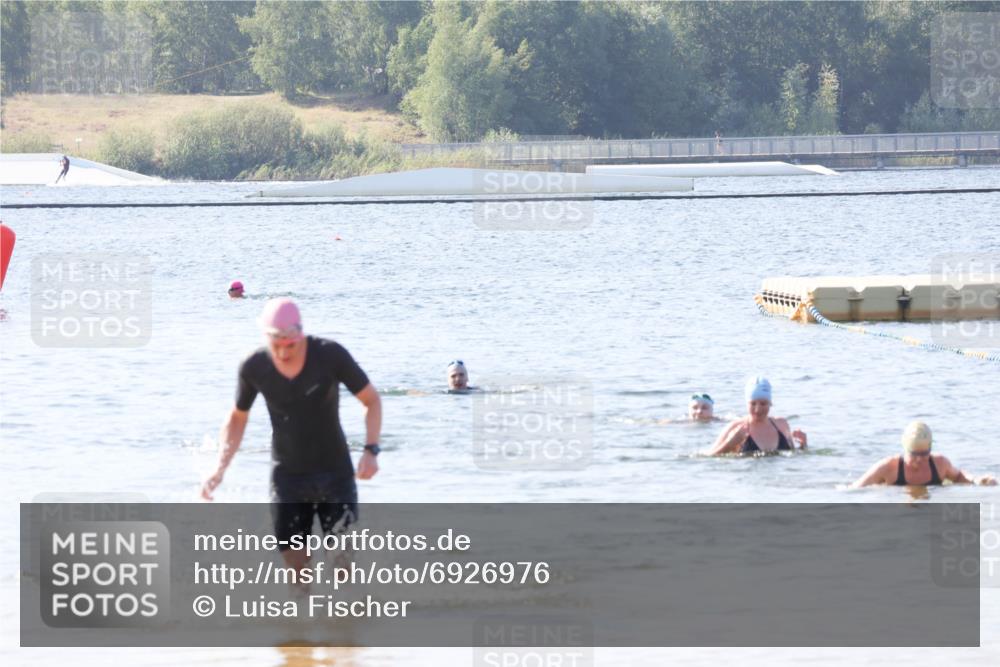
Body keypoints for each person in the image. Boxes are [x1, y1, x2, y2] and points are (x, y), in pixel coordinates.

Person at [201, 298, 383, 579]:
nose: (284, 352)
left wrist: (371, 450)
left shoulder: (330, 356)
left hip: (335, 474)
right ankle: (299, 621)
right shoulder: (254, 366)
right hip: (288, 479)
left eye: (291, 345)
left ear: (301, 334)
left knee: (342, 569)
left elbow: (371, 401)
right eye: (277, 345)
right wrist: (219, 469)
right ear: (266, 337)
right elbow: (238, 417)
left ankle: (347, 620)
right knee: (297, 575)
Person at [851, 421, 996, 487]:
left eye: (924, 453)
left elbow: (958, 476)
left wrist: (977, 480)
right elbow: (856, 489)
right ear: (905, 449)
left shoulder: (940, 463)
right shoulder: (889, 467)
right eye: (914, 454)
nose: (919, 459)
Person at [707, 377, 807, 455]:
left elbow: (793, 457)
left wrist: (803, 445)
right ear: (747, 403)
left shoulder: (781, 424)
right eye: (753, 404)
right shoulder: (735, 428)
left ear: (770, 403)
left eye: (763, 404)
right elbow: (708, 458)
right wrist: (729, 444)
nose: (758, 409)